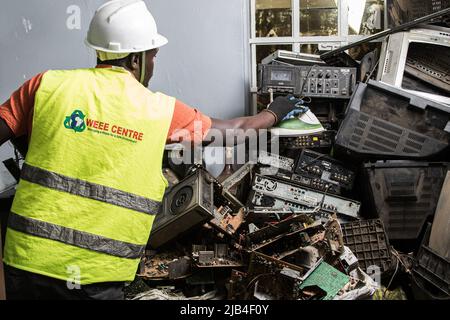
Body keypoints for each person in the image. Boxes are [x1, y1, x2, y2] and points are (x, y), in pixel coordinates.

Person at [0, 0, 299, 300]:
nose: (153, 65)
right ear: (136, 60)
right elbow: (234, 133)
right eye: (153, 56)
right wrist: (275, 112)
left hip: (26, 261)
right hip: (96, 274)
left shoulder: (46, 85)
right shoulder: (158, 111)